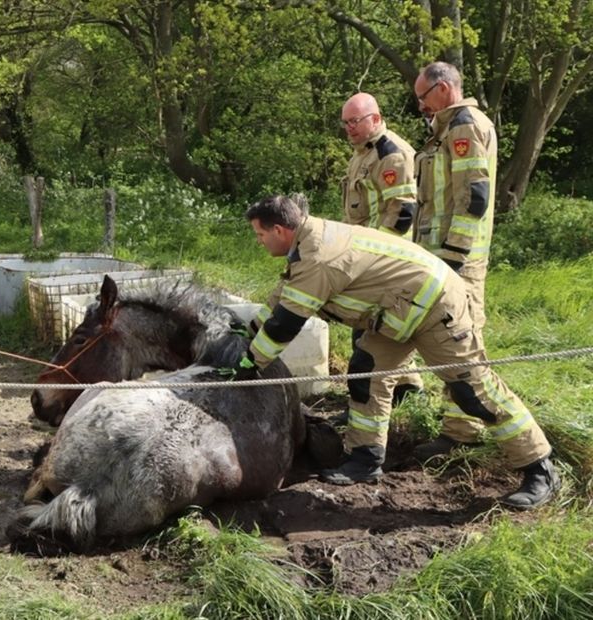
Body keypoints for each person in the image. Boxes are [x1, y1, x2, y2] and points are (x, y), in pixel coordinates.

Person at [232, 193, 558, 509]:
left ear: (280, 230)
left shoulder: (318, 256)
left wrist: (249, 362)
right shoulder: (306, 243)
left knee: (473, 391)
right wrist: (241, 336)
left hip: (434, 308)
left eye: (260, 234)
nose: (259, 241)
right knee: (366, 374)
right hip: (397, 311)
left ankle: (539, 468)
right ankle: (365, 458)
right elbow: (280, 299)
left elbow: (285, 324)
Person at [412, 61, 498, 461]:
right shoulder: (445, 128)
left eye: (423, 97)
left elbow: (474, 197)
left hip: (457, 259)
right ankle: (456, 423)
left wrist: (455, 257)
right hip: (439, 255)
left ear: (443, 89)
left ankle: (464, 431)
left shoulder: (464, 126)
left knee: (462, 340)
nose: (420, 106)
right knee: (447, 339)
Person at [339, 92, 423, 408]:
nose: (349, 128)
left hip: (387, 258)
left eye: (355, 121)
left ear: (375, 118)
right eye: (346, 122)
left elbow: (402, 213)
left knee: (369, 333)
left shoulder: (392, 153)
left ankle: (369, 404)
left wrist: (374, 257)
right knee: (382, 328)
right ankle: (409, 392)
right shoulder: (361, 153)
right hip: (365, 253)